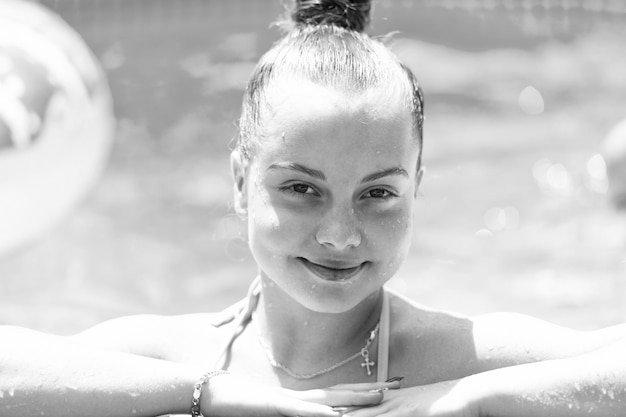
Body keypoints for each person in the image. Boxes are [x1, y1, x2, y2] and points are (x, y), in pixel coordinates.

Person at [1, 1, 625, 416]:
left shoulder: (454, 357)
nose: (339, 234)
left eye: (378, 194)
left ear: (417, 189)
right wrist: (209, 395)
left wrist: (470, 398)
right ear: (241, 181)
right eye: (301, 188)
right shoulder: (172, 357)